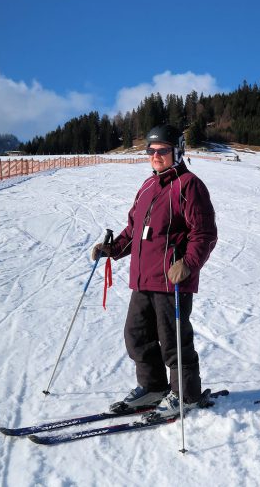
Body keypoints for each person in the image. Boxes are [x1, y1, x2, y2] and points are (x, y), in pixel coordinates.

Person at [91, 124, 217, 418]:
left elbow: (205, 233)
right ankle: (153, 387)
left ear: (177, 151)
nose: (156, 155)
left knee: (173, 342)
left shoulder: (189, 185)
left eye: (162, 150)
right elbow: (134, 230)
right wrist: (113, 249)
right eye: (151, 150)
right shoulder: (148, 186)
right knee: (136, 336)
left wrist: (188, 263)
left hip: (172, 279)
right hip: (143, 278)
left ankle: (185, 395)